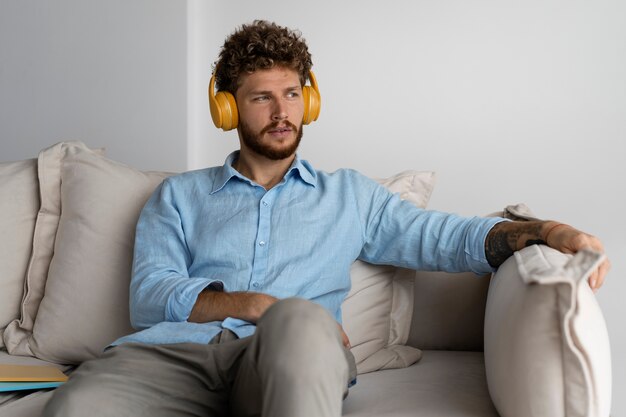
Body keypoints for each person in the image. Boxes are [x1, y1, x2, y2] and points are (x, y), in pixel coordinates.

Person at [43, 20, 610, 417]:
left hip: (291, 358)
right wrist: (256, 304)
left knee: (301, 324)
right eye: (261, 97)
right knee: (80, 404)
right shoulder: (178, 198)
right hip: (174, 357)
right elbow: (150, 295)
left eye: (291, 94)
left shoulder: (350, 197)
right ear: (228, 109)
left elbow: (445, 237)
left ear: (309, 101)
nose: (281, 111)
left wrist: (543, 231)